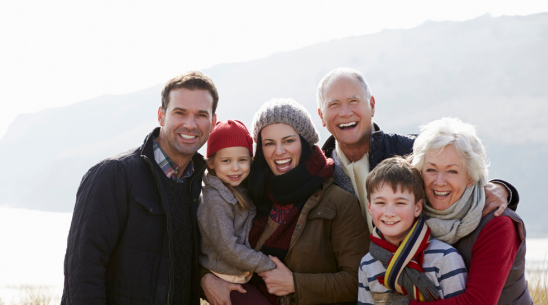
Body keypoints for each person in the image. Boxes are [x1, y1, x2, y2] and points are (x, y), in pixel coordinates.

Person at [61, 71, 218, 305]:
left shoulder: (203, 185)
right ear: (161, 115)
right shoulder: (113, 175)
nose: (190, 124)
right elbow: (82, 273)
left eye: (201, 115)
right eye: (180, 112)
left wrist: (208, 279)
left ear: (213, 122)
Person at [202, 98, 370, 305]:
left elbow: (358, 281)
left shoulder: (339, 203)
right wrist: (205, 278)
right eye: (269, 143)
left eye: (289, 141)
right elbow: (214, 243)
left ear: (304, 142)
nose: (279, 151)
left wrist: (294, 284)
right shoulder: (250, 195)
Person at [316, 67, 518, 231]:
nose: (345, 112)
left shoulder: (412, 150)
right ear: (321, 116)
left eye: (354, 101)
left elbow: (465, 172)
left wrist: (502, 188)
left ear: (372, 106)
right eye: (334, 104)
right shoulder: (318, 172)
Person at [409, 117, 532, 305]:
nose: (439, 181)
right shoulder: (413, 217)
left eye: (452, 171)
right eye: (431, 170)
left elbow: (477, 302)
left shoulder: (499, 224)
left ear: (470, 178)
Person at [358, 157, 467, 305]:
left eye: (400, 203)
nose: (389, 212)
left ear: (417, 208)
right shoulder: (367, 264)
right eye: (381, 203)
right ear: (370, 207)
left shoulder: (445, 257)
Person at [197, 119, 275, 304]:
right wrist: (266, 265)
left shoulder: (239, 188)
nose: (235, 168)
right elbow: (228, 249)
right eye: (226, 161)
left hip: (241, 274)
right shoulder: (214, 200)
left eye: (242, 160)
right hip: (226, 277)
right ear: (211, 163)